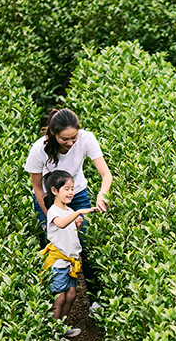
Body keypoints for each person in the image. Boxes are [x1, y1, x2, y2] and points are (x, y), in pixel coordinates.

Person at [24, 108, 111, 316]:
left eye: (74, 137)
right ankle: (49, 308)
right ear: (53, 134)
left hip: (77, 194)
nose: (71, 143)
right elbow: (37, 188)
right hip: (49, 199)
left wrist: (102, 195)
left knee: (87, 245)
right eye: (65, 139)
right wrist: (53, 216)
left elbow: (106, 175)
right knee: (54, 249)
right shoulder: (39, 149)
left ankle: (95, 301)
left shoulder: (87, 139)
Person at [40, 170, 98, 341]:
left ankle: (61, 327)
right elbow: (60, 224)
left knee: (71, 294)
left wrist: (77, 226)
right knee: (60, 297)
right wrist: (78, 212)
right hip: (58, 262)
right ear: (54, 191)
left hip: (70, 261)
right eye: (66, 189)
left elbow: (70, 235)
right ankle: (53, 334)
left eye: (72, 188)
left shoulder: (69, 210)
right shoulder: (54, 211)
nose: (71, 192)